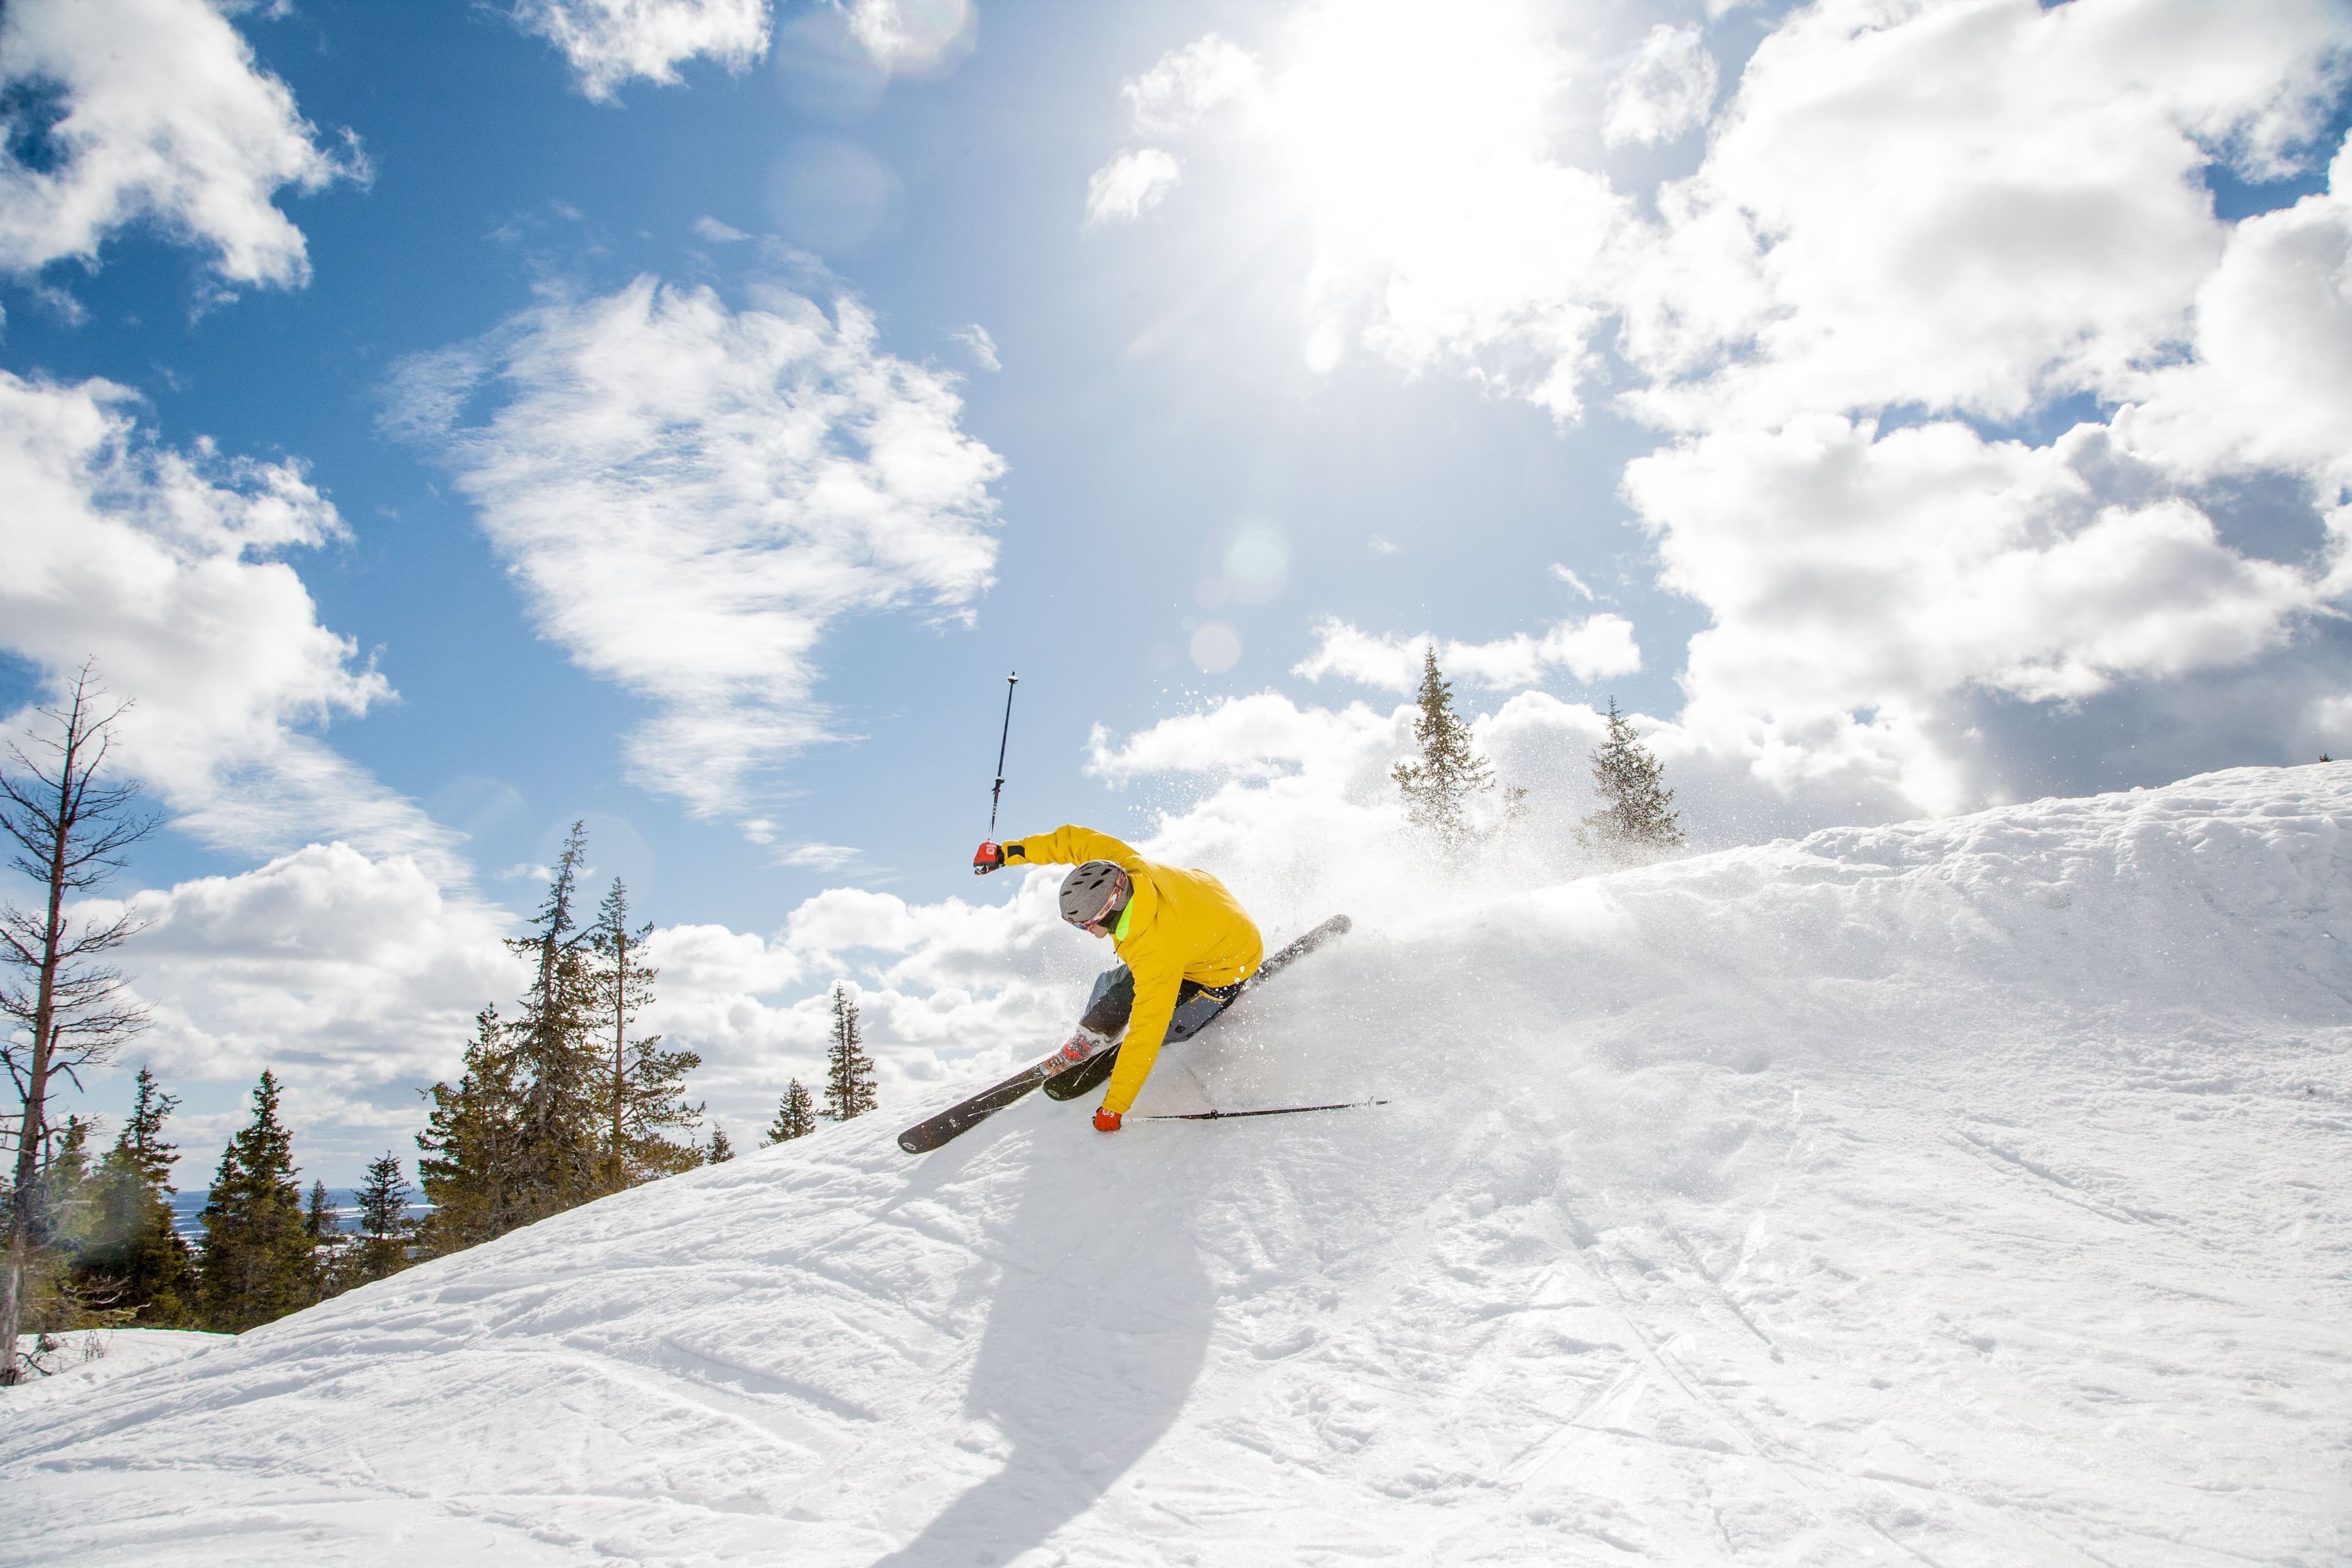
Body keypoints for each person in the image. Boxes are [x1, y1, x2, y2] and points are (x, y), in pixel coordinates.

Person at [973, 826, 1263, 1131]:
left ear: (1109, 913)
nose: (1086, 933)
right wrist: (1006, 854)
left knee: (1168, 1030)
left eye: (1085, 926)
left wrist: (1114, 1107)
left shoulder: (1156, 952)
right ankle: (1093, 1034)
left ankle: (1103, 1034)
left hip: (1226, 969)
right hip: (1206, 907)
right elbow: (1076, 842)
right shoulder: (1124, 867)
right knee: (1108, 984)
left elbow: (1146, 1031)